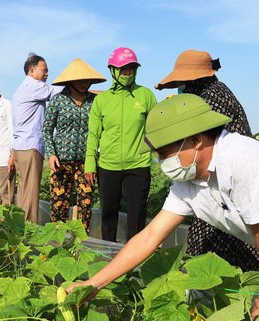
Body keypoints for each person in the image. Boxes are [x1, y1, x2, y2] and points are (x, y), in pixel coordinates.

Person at [68, 95, 259, 321]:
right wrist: (94, 283)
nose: (163, 162)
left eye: (166, 152)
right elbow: (150, 235)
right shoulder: (188, 182)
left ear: (198, 140)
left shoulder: (244, 159)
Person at [156, 49, 259, 271]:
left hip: (227, 179)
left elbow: (200, 147)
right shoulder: (217, 91)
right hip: (219, 178)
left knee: (211, 250)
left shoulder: (210, 99)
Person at [85, 47, 156, 242]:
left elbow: (156, 129)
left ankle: (135, 259)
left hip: (138, 164)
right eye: (123, 68)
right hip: (108, 164)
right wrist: (90, 164)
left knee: (137, 213)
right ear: (113, 71)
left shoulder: (146, 96)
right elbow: (93, 135)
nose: (128, 72)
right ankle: (109, 253)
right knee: (108, 212)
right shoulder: (102, 101)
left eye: (131, 68)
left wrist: (161, 154)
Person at [43, 58, 105, 233]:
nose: (84, 83)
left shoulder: (95, 101)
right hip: (60, 162)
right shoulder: (57, 101)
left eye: (87, 79)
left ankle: (81, 243)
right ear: (70, 81)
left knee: (85, 204)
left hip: (86, 162)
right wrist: (51, 154)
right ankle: (56, 243)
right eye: (80, 80)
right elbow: (47, 130)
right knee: (58, 205)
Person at [12, 53, 61, 223]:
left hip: (21, 147)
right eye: (44, 70)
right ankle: (28, 235)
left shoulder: (23, 87)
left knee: (24, 193)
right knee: (31, 194)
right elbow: (61, 91)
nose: (47, 73)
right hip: (30, 147)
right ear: (32, 70)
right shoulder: (34, 86)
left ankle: (19, 231)